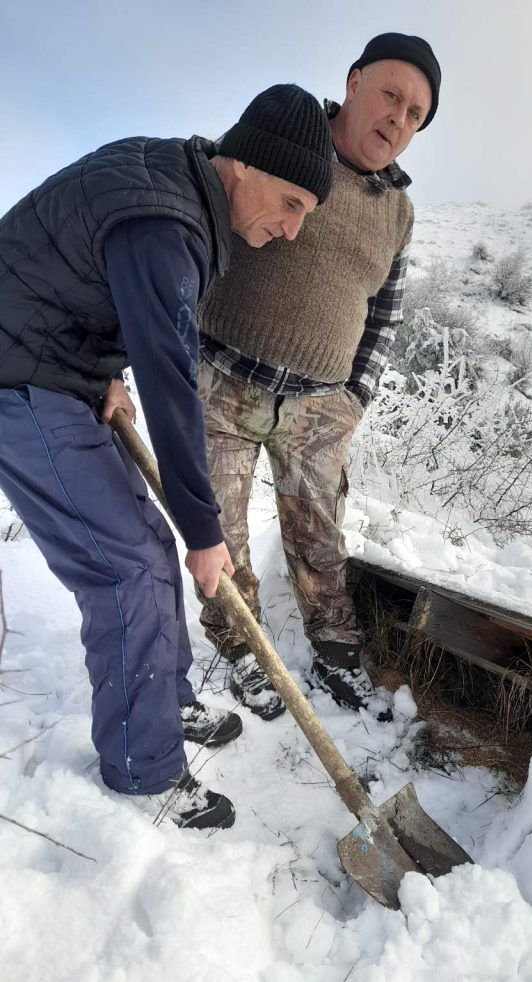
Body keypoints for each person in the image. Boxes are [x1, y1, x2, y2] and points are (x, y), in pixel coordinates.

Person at [0, 84, 334, 829]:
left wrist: (99, 369)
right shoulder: (168, 219)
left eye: (303, 217)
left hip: (54, 363)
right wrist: (206, 529)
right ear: (243, 164)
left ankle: (166, 701)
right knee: (127, 567)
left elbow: (82, 273)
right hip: (18, 377)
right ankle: (142, 771)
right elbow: (170, 372)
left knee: (145, 542)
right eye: (289, 204)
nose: (289, 230)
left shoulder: (175, 185)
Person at [196, 33, 441, 722]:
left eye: (416, 113)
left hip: (317, 407)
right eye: (391, 95)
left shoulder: (399, 212)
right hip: (221, 379)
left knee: (321, 541)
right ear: (355, 81)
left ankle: (335, 652)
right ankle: (241, 651)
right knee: (219, 532)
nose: (399, 120)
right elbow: (202, 222)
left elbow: (385, 314)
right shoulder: (279, 141)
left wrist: (355, 397)